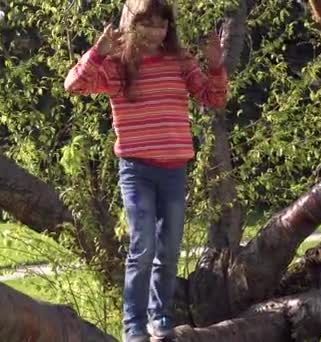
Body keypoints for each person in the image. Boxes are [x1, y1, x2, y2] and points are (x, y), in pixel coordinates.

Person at [63, 1, 228, 341]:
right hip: (136, 169)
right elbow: (74, 85)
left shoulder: (180, 61)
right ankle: (133, 327)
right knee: (144, 246)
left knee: (168, 249)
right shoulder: (117, 66)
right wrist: (97, 51)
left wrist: (214, 65)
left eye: (162, 24)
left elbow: (213, 98)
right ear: (131, 24)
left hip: (174, 169)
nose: (155, 31)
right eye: (147, 23)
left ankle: (160, 318)